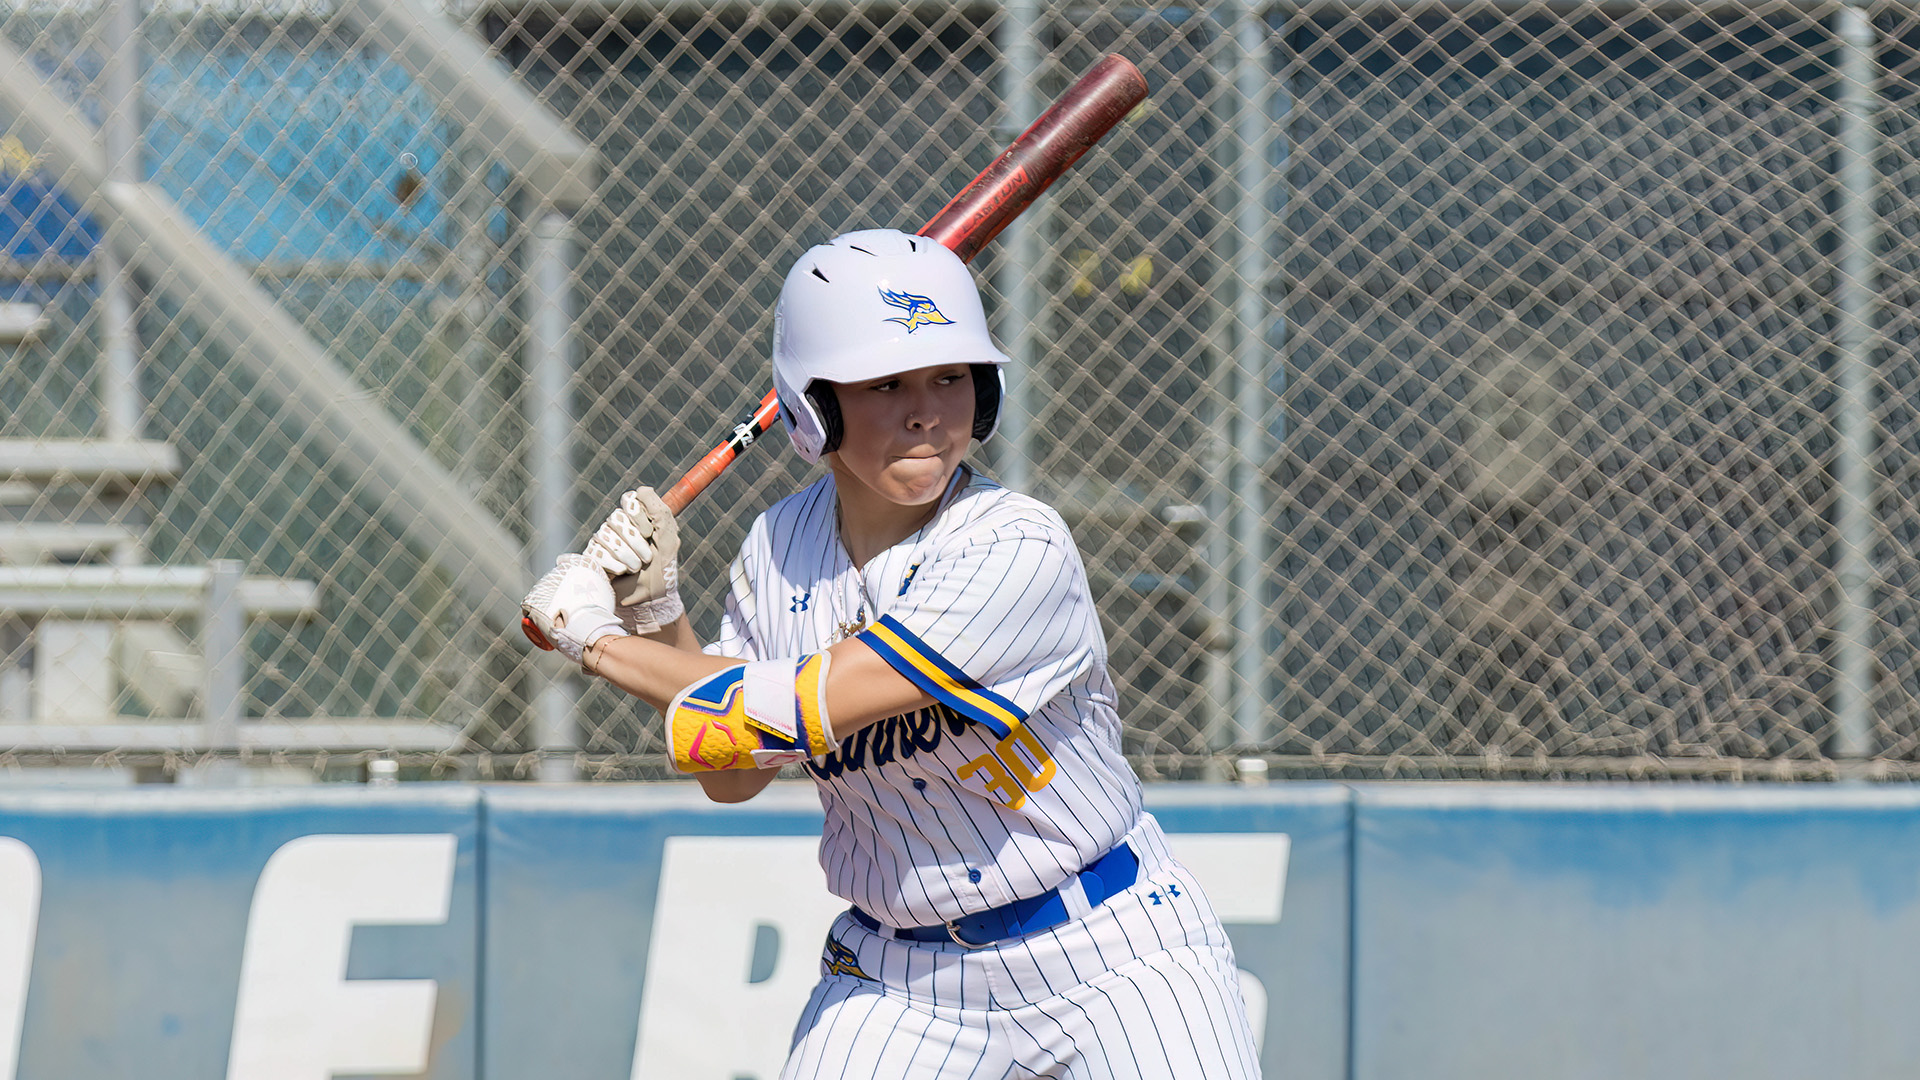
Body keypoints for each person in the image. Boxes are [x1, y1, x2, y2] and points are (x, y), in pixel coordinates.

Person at [521, 228, 1260, 1078]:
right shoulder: (778, 546)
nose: (925, 411)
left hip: (1111, 955)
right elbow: (735, 768)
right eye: (885, 384)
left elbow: (806, 707)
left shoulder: (1017, 546)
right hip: (901, 982)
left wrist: (599, 642)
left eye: (950, 377)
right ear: (814, 408)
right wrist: (656, 613)